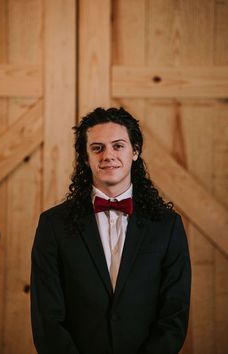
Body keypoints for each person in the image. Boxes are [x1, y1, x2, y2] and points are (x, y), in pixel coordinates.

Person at [30, 107, 191, 354]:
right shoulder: (53, 225)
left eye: (118, 146)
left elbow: (175, 313)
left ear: (135, 151)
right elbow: (46, 318)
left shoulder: (168, 226)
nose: (108, 155)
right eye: (97, 148)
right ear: (85, 158)